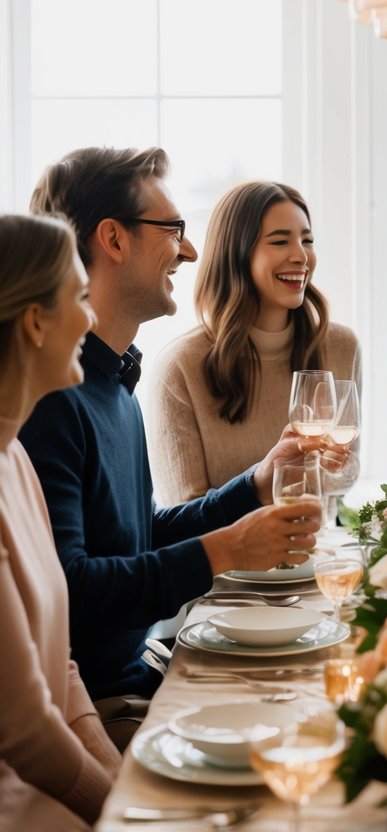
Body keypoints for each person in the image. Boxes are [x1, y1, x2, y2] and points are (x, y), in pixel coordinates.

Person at [19, 147, 322, 709]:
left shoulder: (113, 383)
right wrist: (225, 549)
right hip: (97, 701)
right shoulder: (52, 399)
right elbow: (73, 592)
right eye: (172, 229)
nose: (188, 249)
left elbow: (139, 538)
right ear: (113, 239)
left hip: (140, 670)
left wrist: (254, 485)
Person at [0, 214, 120, 829]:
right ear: (35, 322)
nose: (92, 318)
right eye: (79, 297)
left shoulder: (16, 456)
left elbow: (61, 668)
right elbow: (25, 732)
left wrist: (122, 780)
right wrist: (118, 812)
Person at [146, 180, 361, 504]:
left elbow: (347, 471)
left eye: (307, 240)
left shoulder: (341, 347)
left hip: (319, 547)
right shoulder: (179, 368)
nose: (301, 256)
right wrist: (269, 480)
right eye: (280, 242)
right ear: (236, 254)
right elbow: (184, 518)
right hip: (230, 555)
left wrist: (332, 466)